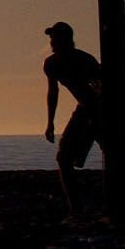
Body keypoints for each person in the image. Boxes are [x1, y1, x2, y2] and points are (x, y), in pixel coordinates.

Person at [42, 20, 105, 216]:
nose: (51, 41)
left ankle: (87, 207)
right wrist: (50, 122)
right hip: (86, 108)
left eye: (54, 38)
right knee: (64, 158)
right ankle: (77, 207)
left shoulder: (85, 60)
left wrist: (97, 119)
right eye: (51, 38)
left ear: (65, 39)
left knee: (109, 152)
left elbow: (101, 86)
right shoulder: (52, 63)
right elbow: (53, 92)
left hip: (99, 109)